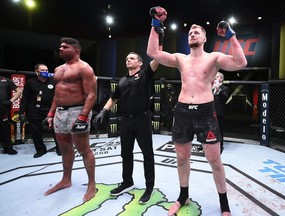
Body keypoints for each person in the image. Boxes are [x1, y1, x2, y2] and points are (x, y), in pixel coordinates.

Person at [147, 6, 247, 216]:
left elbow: (240, 62)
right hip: (183, 111)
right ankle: (183, 196)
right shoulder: (180, 59)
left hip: (205, 112)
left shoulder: (214, 58)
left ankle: (224, 202)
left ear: (203, 38)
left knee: (214, 160)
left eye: (197, 32)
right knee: (182, 158)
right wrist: (156, 24)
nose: (192, 34)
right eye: (190, 32)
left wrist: (230, 35)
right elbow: (153, 53)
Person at [93, 49, 162, 203]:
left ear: (140, 62)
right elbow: (113, 98)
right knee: (126, 153)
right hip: (126, 121)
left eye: (132, 58)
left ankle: (149, 187)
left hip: (142, 120)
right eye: (126, 58)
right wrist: (103, 111)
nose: (128, 60)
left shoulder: (145, 75)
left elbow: (157, 58)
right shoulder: (122, 80)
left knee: (147, 155)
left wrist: (159, 37)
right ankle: (127, 182)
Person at [43, 37, 97, 202]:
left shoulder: (84, 68)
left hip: (77, 110)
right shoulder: (58, 69)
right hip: (60, 112)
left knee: (84, 150)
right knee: (65, 149)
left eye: (65, 47)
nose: (61, 49)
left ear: (76, 50)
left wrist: (82, 117)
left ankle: (92, 185)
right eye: (60, 46)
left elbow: (91, 95)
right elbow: (57, 95)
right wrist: (50, 114)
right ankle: (66, 180)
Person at [19, 63, 61, 158]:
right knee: (35, 130)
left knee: (56, 129)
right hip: (34, 109)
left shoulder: (53, 82)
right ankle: (41, 149)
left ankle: (59, 148)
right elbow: (25, 98)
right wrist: (22, 111)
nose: (45, 72)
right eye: (42, 70)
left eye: (46, 70)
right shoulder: (30, 83)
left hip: (50, 109)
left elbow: (58, 96)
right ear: (36, 72)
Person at [0, 75, 22, 155]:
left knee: (4, 128)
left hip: (2, 108)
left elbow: (19, 91)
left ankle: (8, 148)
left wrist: (11, 101)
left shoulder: (6, 80)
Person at [213, 72, 230, 153]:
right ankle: (208, 144)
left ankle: (220, 145)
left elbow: (225, 98)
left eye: (217, 77)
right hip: (209, 111)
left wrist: (218, 90)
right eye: (214, 77)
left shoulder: (224, 88)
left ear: (221, 79)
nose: (215, 78)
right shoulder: (210, 87)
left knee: (219, 128)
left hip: (219, 111)